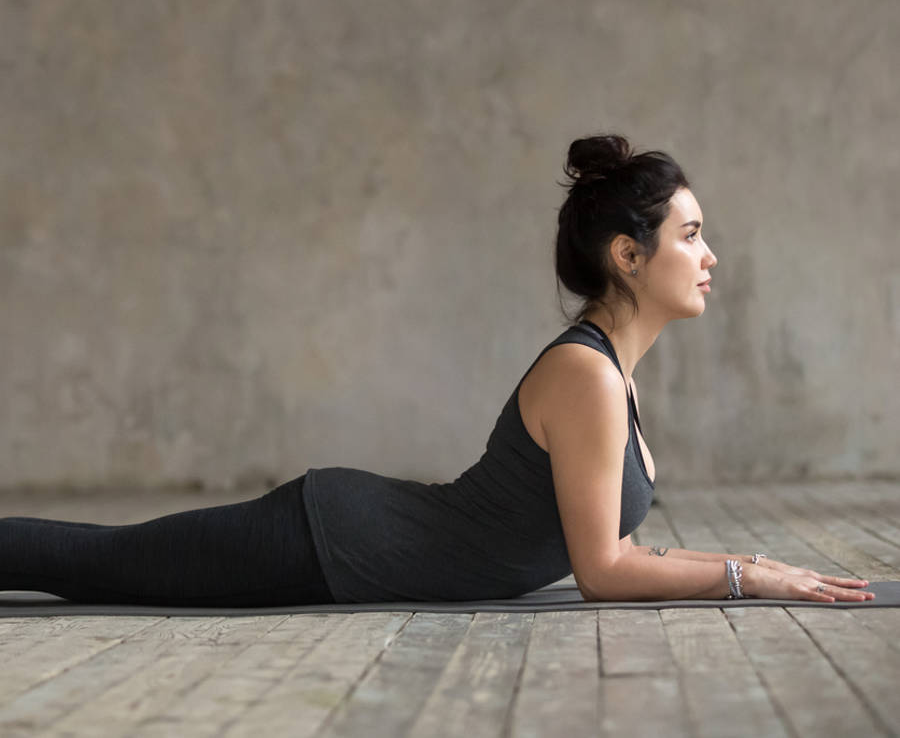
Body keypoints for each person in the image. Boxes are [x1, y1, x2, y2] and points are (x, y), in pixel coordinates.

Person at [0, 135, 874, 606]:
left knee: (100, 564)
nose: (711, 255)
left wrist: (756, 564)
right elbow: (604, 572)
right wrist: (749, 577)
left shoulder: (615, 375)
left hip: (352, 541)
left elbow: (618, 549)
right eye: (690, 235)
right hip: (331, 541)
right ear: (628, 256)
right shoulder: (590, 378)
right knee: (98, 564)